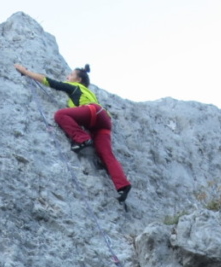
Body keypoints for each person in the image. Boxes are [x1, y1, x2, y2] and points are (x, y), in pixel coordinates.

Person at [14, 62, 132, 203]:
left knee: (60, 115)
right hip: (103, 120)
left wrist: (26, 72)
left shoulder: (75, 87)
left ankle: (82, 139)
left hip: (92, 112)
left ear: (78, 79)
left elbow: (50, 82)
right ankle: (123, 186)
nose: (67, 77)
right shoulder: (89, 93)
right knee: (106, 154)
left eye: (70, 75)